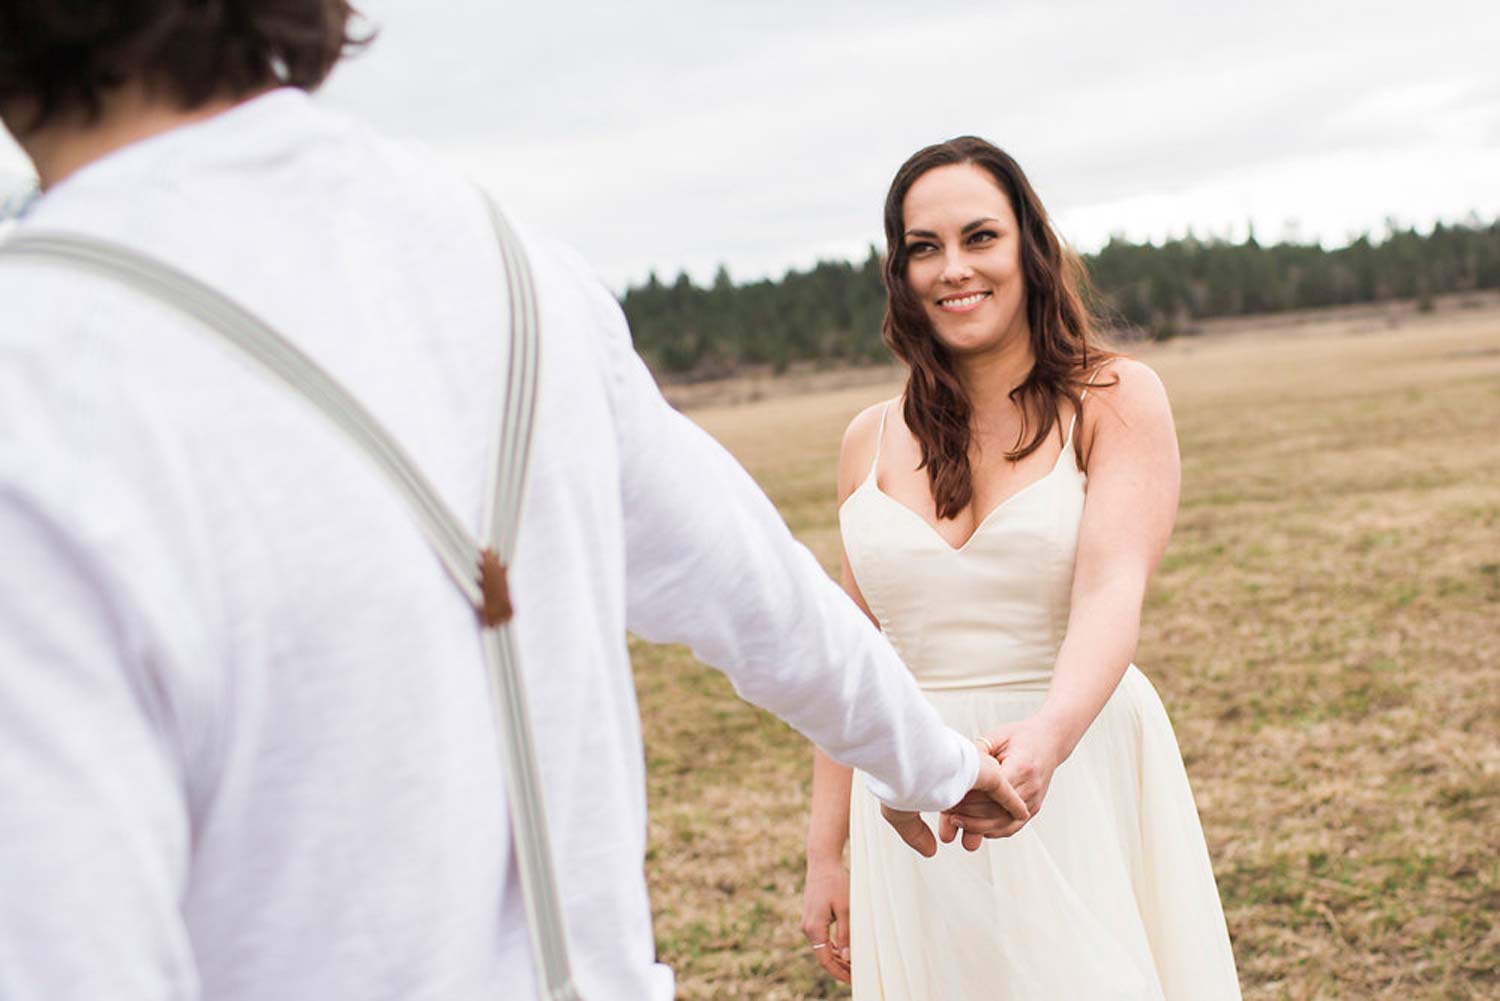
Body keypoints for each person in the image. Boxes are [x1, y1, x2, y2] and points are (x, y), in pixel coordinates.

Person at [0, 8, 1030, 1001]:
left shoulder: (36, 365)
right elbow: (756, 590)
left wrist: (929, 762)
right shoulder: (516, 268)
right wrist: (932, 761)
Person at [800, 136, 1243, 999]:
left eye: (979, 237)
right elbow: (853, 660)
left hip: (1074, 766)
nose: (952, 268)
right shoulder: (868, 440)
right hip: (911, 795)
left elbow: (1112, 589)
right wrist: (826, 852)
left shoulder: (1115, 398)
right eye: (922, 247)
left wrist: (1048, 739)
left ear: (1030, 249)